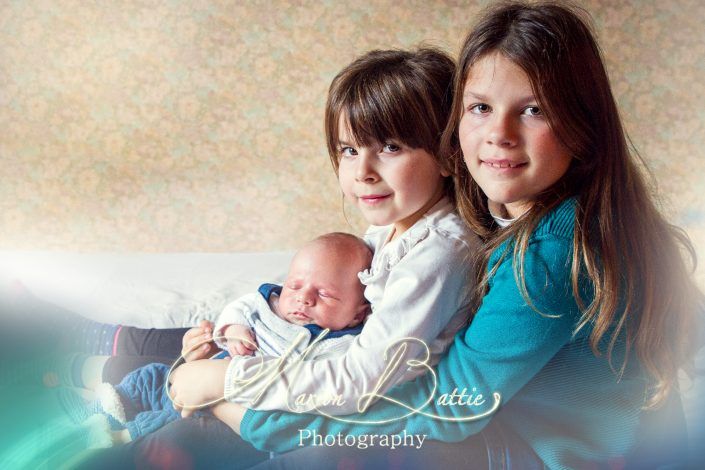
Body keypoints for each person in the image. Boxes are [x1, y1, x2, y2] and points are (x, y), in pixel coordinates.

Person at [224, 2, 703, 469]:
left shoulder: (550, 250)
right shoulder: (506, 218)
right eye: (480, 107)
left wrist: (257, 417)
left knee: (313, 455)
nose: (500, 133)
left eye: (533, 110)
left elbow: (454, 406)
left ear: (582, 125)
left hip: (538, 452)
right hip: (512, 432)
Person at [74, 46, 480, 469]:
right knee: (169, 361)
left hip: (337, 418)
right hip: (301, 375)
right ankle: (88, 362)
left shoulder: (438, 254)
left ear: (448, 154)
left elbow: (360, 380)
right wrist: (227, 344)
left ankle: (93, 403)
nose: (363, 172)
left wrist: (225, 379)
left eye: (391, 147)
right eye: (349, 150)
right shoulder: (393, 229)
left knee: (170, 427)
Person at [75, 232, 373, 444]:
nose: (303, 299)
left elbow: (322, 385)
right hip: (200, 372)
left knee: (178, 424)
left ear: (358, 314)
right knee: (150, 377)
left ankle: (117, 438)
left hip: (234, 403)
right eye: (295, 285)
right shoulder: (268, 305)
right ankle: (100, 409)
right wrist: (231, 330)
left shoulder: (339, 347)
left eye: (324, 294)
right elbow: (237, 308)